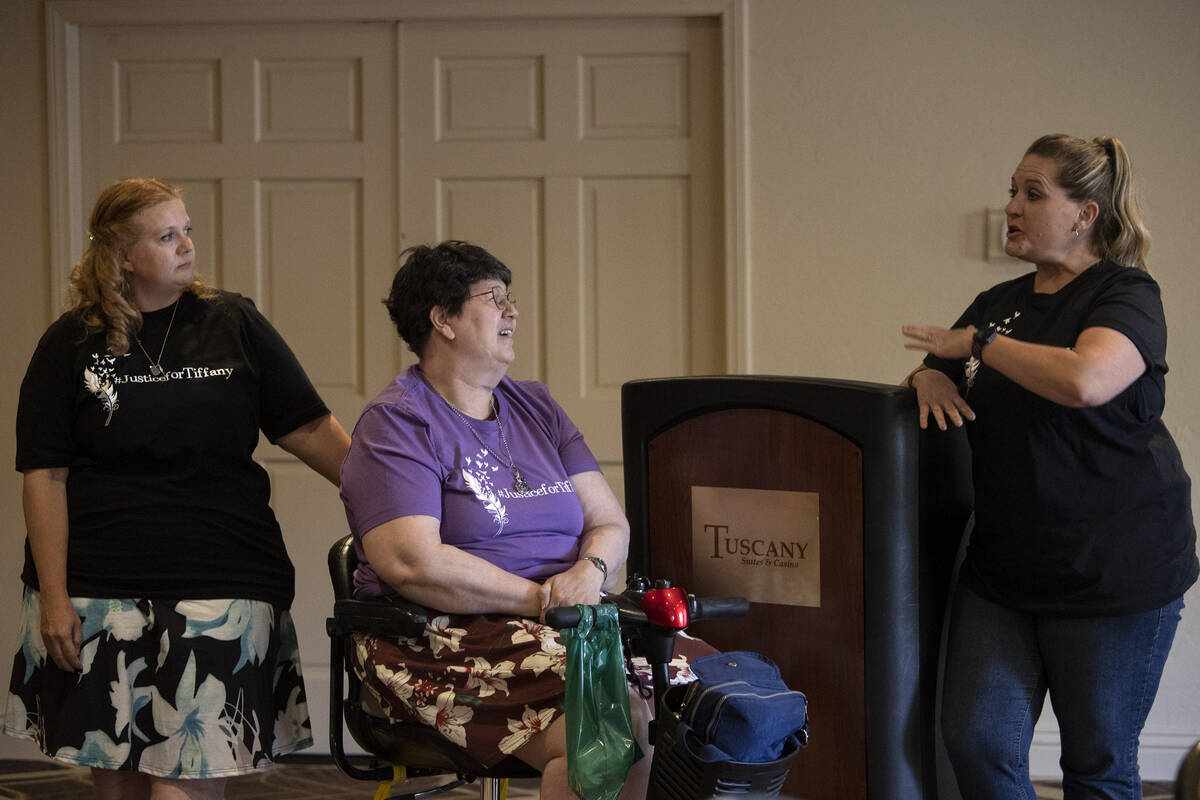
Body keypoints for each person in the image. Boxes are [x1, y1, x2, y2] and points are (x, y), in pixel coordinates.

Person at [3, 178, 351, 800]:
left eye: (186, 228)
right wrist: (53, 598)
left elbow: (309, 427)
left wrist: (395, 504)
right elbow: (44, 476)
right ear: (122, 256)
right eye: (168, 236)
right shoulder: (69, 343)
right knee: (118, 784)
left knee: (186, 783)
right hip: (98, 587)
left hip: (222, 579)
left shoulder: (233, 322)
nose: (188, 245)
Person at [339, 241, 709, 800]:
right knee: (614, 716)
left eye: (511, 299)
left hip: (562, 624)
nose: (513, 312)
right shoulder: (398, 422)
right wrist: (542, 600)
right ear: (443, 319)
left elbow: (610, 524)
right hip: (437, 638)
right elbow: (413, 563)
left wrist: (590, 569)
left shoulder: (535, 406)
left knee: (704, 684)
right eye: (495, 299)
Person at [901, 135, 1198, 799]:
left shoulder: (1125, 295)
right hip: (1005, 572)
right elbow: (938, 365)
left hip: (1115, 575)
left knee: (1096, 765)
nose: (1010, 206)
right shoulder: (997, 302)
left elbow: (1087, 380)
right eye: (1012, 190)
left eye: (1032, 194)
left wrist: (978, 346)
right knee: (977, 743)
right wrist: (927, 377)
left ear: (1084, 214)